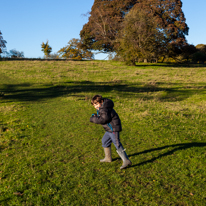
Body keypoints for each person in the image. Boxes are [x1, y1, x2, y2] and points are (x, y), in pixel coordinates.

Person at [90, 94, 132, 169]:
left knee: (117, 143)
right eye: (94, 105)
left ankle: (126, 160)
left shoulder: (105, 109)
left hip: (113, 129)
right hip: (109, 130)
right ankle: (108, 158)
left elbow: (104, 119)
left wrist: (94, 119)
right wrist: (96, 116)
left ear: (101, 101)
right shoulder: (102, 108)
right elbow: (102, 117)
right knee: (105, 141)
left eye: (96, 104)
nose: (95, 106)